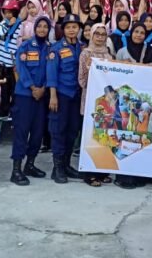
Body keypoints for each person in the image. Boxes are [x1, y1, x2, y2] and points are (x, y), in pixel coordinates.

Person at [10, 16, 51, 186]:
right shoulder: (26, 46)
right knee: (22, 131)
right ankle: (16, 169)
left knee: (37, 132)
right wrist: (33, 87)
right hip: (25, 95)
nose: (42, 29)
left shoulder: (50, 49)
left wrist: (43, 89)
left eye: (45, 27)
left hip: (42, 96)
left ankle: (30, 165)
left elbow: (52, 70)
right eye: (39, 26)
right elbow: (21, 68)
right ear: (34, 29)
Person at [47, 14, 83, 184]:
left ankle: (67, 165)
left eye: (74, 27)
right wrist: (53, 96)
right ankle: (57, 168)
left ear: (78, 29)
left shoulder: (82, 48)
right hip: (61, 95)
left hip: (76, 95)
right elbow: (52, 74)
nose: (71, 30)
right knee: (59, 131)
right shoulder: (56, 48)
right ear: (63, 29)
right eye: (68, 27)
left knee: (72, 131)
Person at [78, 23, 114, 186]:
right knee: (90, 136)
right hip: (91, 99)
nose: (100, 37)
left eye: (103, 34)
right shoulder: (86, 54)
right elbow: (81, 80)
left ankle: (102, 171)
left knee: (104, 135)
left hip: (106, 101)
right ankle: (89, 174)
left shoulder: (108, 54)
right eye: (97, 34)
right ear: (91, 35)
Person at [0, 0, 22, 119]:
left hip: (12, 63)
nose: (8, 15)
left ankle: (13, 111)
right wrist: (7, 25)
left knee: (13, 89)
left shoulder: (21, 25)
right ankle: (3, 112)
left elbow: (19, 43)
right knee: (2, 89)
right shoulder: (2, 23)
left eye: (11, 12)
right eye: (6, 12)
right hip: (1, 62)